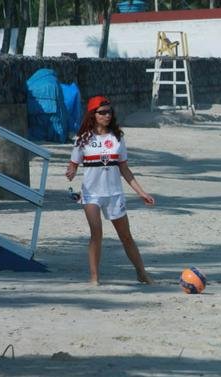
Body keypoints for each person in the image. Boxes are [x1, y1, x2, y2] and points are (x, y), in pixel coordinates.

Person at [65, 96, 155, 286]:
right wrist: (71, 172)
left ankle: (141, 273)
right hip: (91, 193)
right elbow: (73, 164)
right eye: (102, 112)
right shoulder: (82, 139)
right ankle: (94, 278)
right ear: (93, 114)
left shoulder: (117, 137)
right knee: (96, 233)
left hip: (114, 194)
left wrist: (142, 192)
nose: (107, 115)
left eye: (109, 112)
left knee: (126, 236)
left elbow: (124, 168)